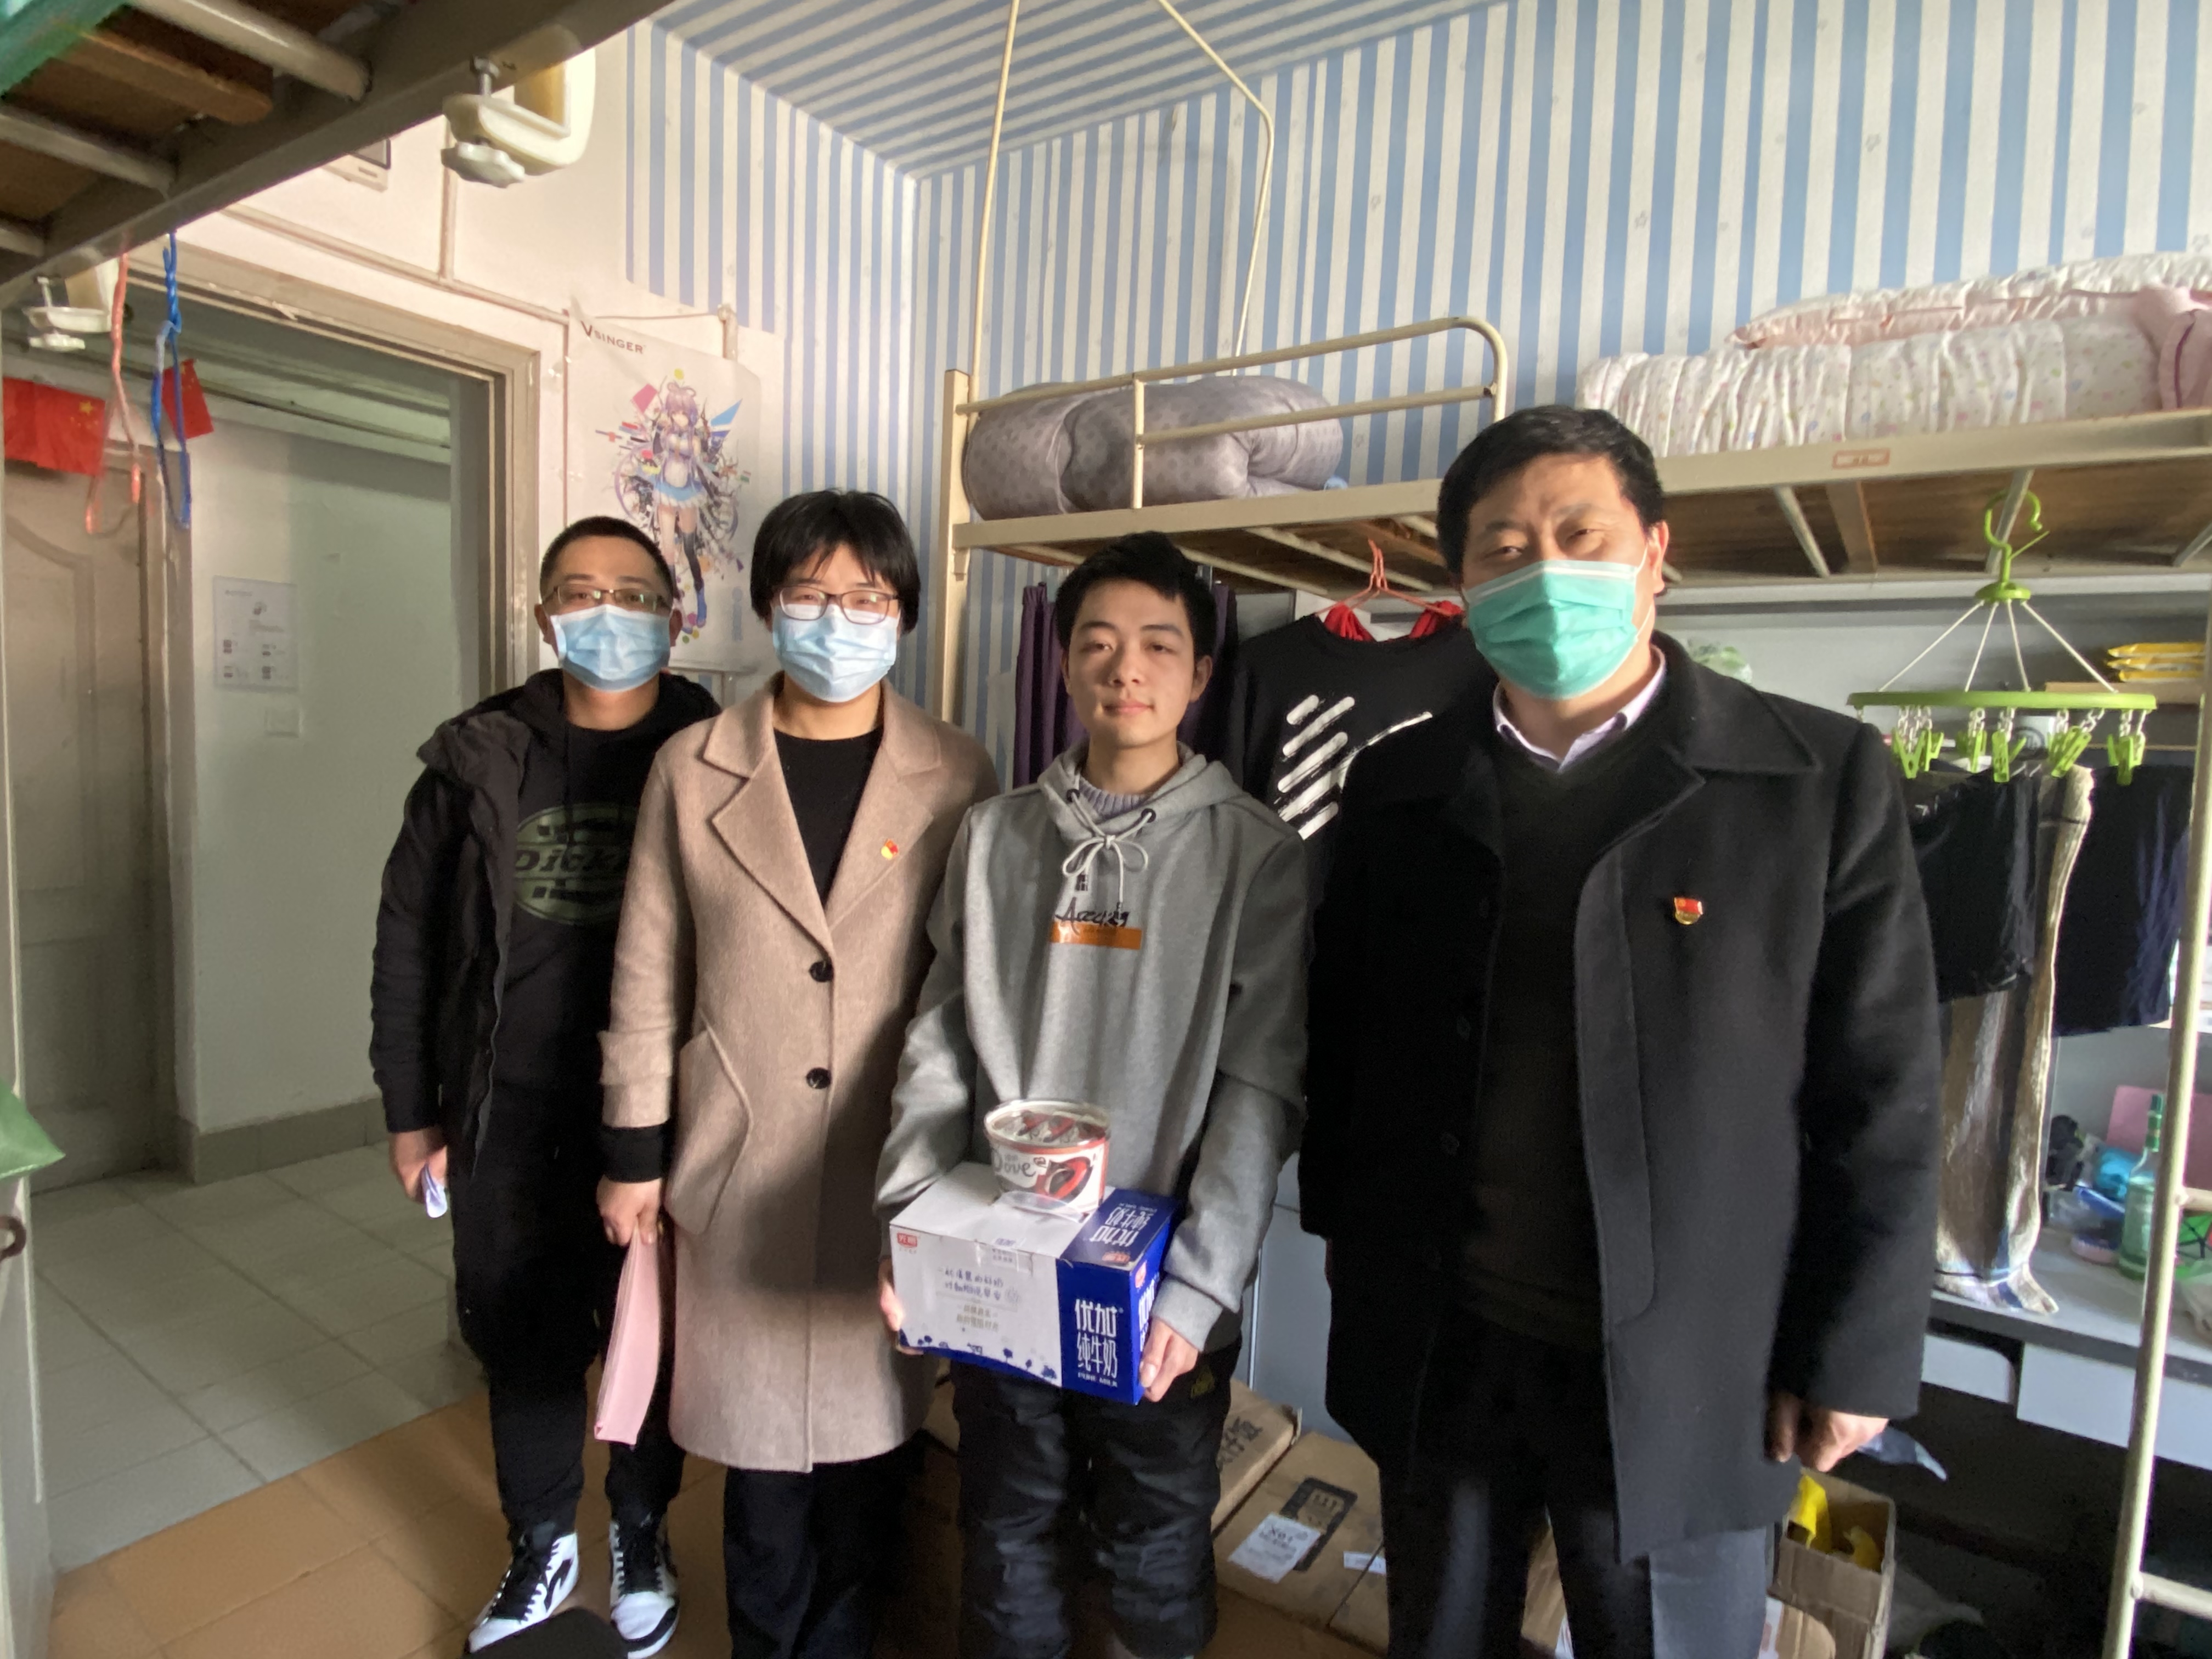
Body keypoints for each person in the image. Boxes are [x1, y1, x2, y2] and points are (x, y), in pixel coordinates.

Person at [1300, 405, 1942, 1659]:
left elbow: (1885, 1088)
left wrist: (1857, 1353)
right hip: (1443, 1338)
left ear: (1655, 553)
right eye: (1503, 548)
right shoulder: (1396, 784)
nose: (1544, 570)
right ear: (1463, 586)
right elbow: (1348, 1038)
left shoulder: (1816, 782)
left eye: (1580, 534)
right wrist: (1346, 1260)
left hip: (1693, 1367)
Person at [875, 531, 1308, 1659]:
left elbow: (1259, 1087)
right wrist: (910, 1224)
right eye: (1100, 644)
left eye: (1160, 645)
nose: (1128, 669)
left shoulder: (1258, 856)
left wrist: (1198, 1289)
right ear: (1064, 663)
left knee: (1151, 1550)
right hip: (1000, 1263)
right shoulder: (995, 836)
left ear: (1200, 672)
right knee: (1007, 1527)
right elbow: (940, 1039)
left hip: (1159, 1291)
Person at [595, 490, 997, 1659]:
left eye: (867, 598)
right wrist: (634, 1155)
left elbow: (974, 977)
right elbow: (647, 968)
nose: (839, 620)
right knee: (762, 1471)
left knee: (871, 1467)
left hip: (891, 1161)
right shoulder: (691, 766)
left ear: (904, 613)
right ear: (769, 605)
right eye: (813, 595)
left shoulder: (957, 771)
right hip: (737, 1157)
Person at [372, 515, 716, 1655]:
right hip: (506, 1107)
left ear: (675, 619)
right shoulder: (477, 757)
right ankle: (540, 1542)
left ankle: (639, 1531)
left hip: (660, 1116)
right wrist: (411, 1112)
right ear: (542, 615)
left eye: (633, 593)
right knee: (523, 1338)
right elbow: (409, 943)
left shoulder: (718, 752)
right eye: (579, 591)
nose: (606, 613)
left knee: (649, 1336)